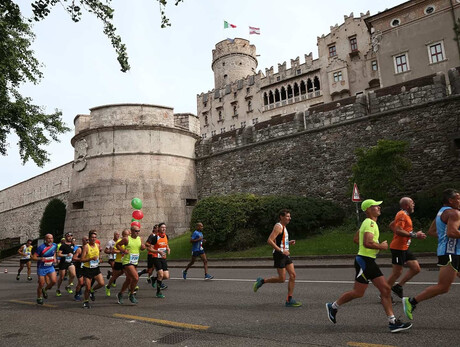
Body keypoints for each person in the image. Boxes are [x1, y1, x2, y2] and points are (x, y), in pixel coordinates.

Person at [326, 199, 412, 333]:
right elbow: (367, 243)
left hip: (367, 260)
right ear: (368, 210)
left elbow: (356, 239)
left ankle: (392, 321)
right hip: (364, 261)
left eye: (378, 206)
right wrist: (381, 246)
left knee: (379, 291)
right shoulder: (370, 223)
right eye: (375, 206)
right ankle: (334, 306)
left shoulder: (368, 223)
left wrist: (369, 247)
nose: (379, 207)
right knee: (367, 292)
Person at [403, 189, 460, 320]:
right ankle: (411, 301)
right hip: (450, 253)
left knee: (444, 286)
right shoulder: (454, 213)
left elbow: (432, 231)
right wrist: (449, 238)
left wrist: (444, 238)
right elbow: (452, 232)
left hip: (450, 251)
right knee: (443, 287)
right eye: (458, 198)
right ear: (450, 200)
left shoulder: (441, 212)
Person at [253, 209, 301, 307]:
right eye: (287, 216)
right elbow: (270, 240)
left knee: (293, 275)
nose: (289, 218)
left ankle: (289, 300)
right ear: (281, 217)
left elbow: (280, 241)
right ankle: (262, 281)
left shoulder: (284, 227)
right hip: (279, 255)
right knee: (282, 279)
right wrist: (281, 251)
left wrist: (288, 243)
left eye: (289, 216)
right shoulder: (278, 226)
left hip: (285, 254)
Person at [385, 197, 426, 299]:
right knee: (396, 273)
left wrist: (404, 235)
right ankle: (384, 293)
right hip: (398, 248)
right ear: (406, 205)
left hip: (404, 247)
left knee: (416, 268)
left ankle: (398, 287)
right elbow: (398, 230)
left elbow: (391, 225)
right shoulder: (402, 214)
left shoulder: (404, 215)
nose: (414, 204)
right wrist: (415, 235)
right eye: (412, 203)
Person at [116, 225, 146, 304]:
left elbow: (141, 248)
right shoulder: (126, 239)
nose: (137, 233)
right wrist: (123, 250)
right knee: (136, 278)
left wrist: (143, 247)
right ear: (131, 231)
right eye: (136, 231)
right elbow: (117, 245)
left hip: (135, 262)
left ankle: (120, 293)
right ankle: (131, 294)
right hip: (127, 261)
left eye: (138, 231)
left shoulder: (140, 239)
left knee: (129, 280)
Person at [80, 230, 105, 308]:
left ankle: (92, 291)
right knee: (87, 287)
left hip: (95, 268)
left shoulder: (97, 245)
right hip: (87, 269)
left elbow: (98, 255)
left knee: (101, 283)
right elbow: (82, 259)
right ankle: (86, 301)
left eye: (95, 237)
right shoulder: (86, 247)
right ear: (89, 238)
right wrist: (90, 259)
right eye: (92, 237)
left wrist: (100, 259)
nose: (94, 239)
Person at [32, 234, 58, 305]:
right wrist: (40, 258)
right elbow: (34, 257)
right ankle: (39, 297)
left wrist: (54, 258)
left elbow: (54, 252)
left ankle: (45, 290)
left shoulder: (54, 245)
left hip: (50, 266)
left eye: (52, 238)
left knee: (54, 281)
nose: (50, 240)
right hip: (42, 268)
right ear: (45, 239)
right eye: (49, 238)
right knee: (41, 283)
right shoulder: (41, 248)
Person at [147, 222, 170, 298]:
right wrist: (158, 251)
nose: (164, 229)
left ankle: (154, 278)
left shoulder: (166, 236)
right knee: (160, 274)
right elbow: (149, 248)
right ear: (159, 229)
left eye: (165, 227)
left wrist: (168, 248)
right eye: (162, 227)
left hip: (163, 258)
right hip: (156, 257)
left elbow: (166, 244)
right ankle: (158, 292)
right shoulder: (155, 238)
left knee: (166, 276)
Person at [105, 229, 129, 297]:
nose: (127, 237)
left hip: (125, 261)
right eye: (126, 235)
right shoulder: (119, 241)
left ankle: (130, 290)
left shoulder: (128, 241)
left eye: (128, 235)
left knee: (129, 276)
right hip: (118, 261)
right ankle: (108, 286)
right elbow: (114, 250)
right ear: (123, 235)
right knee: (115, 276)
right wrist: (122, 251)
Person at [56, 232, 76, 296]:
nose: (70, 237)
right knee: (61, 277)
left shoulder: (72, 245)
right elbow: (58, 254)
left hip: (70, 262)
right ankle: (58, 289)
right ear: (66, 237)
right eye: (68, 236)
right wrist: (66, 255)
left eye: (71, 236)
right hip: (63, 262)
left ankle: (68, 286)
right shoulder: (63, 245)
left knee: (73, 275)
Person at [72, 236, 88, 301]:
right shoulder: (79, 249)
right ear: (83, 241)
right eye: (86, 240)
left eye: (88, 240)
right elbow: (74, 258)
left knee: (86, 282)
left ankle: (79, 288)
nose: (87, 241)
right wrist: (81, 259)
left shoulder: (89, 248)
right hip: (79, 268)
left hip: (86, 267)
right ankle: (77, 294)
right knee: (81, 282)